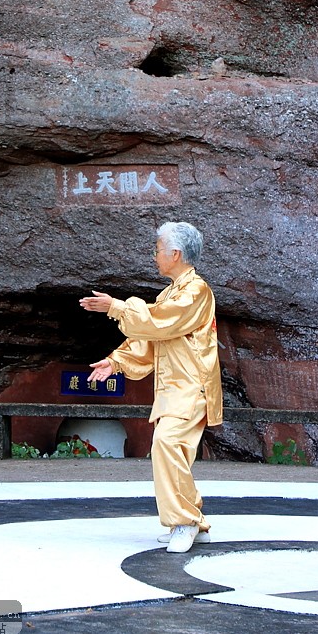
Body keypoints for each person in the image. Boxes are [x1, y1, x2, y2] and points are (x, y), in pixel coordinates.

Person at [79, 221, 222, 554]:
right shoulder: (169, 293)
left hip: (192, 388)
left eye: (158, 249)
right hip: (175, 389)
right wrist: (115, 362)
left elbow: (160, 320)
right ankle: (191, 520)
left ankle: (185, 520)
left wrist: (117, 307)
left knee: (167, 445)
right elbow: (151, 338)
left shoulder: (196, 291)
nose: (155, 255)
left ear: (175, 254)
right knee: (173, 452)